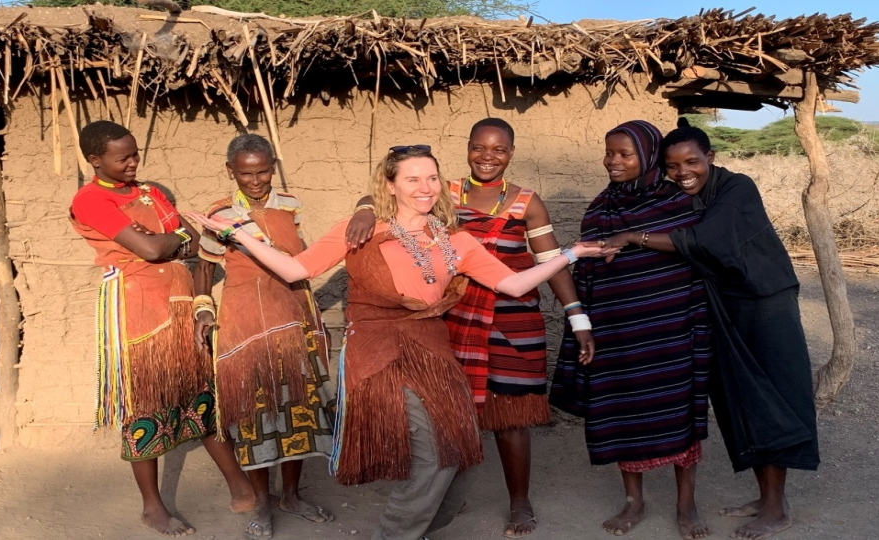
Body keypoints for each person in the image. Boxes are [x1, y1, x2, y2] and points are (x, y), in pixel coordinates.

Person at [187, 145, 613, 540]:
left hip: (432, 351)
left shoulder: (455, 240)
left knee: (463, 450)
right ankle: (394, 534)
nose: (424, 187)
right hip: (379, 351)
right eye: (412, 179)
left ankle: (423, 525)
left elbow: (513, 281)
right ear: (390, 185)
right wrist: (241, 233)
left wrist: (571, 254)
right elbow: (297, 269)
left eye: (431, 178)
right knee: (433, 455)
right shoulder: (361, 232)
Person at [346, 118, 595, 538]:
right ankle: (445, 497)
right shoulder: (444, 193)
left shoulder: (527, 203)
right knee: (454, 413)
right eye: (479, 147)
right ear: (467, 149)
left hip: (515, 320)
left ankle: (519, 501)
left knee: (512, 413)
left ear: (511, 153)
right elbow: (385, 196)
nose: (487, 156)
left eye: (498, 149)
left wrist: (577, 316)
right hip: (456, 317)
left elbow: (549, 262)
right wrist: (364, 209)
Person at [604, 120, 819, 540]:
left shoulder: (738, 189)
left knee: (769, 397)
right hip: (726, 307)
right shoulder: (690, 196)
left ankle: (776, 508)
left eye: (692, 162)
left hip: (764, 304)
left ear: (711, 158)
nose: (683, 171)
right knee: (740, 398)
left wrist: (634, 235)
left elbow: (704, 240)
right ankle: (767, 498)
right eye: (672, 165)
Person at [69, 120, 254, 537]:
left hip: (180, 302)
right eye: (123, 157)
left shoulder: (149, 194)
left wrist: (163, 239)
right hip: (139, 312)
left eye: (135, 153)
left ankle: (239, 482)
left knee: (202, 390)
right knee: (147, 402)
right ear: (95, 159)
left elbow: (189, 239)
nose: (134, 162)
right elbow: (154, 248)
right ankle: (152, 507)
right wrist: (164, 239)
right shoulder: (90, 199)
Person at [549, 120, 712, 540]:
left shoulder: (678, 200)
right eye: (609, 153)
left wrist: (633, 238)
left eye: (625, 154)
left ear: (648, 155)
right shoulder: (602, 205)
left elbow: (694, 249)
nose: (613, 162)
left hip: (672, 326)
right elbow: (586, 264)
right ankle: (633, 500)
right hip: (619, 329)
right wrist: (583, 320)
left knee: (678, 411)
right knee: (624, 412)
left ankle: (685, 502)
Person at [193, 134, 336, 538]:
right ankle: (262, 502)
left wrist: (313, 317)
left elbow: (299, 259)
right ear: (230, 171)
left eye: (263, 171)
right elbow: (205, 266)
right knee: (254, 417)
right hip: (244, 324)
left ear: (273, 166)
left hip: (291, 317)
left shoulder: (289, 205)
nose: (256, 181)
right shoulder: (220, 214)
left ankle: (291, 495)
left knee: (298, 413)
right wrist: (203, 308)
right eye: (246, 173)